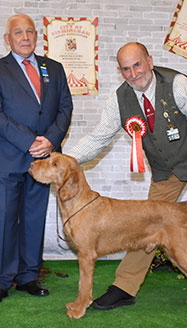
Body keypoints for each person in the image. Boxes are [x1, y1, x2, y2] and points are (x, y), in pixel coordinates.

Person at [68, 42, 187, 310]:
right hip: (165, 168)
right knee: (143, 226)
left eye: (137, 65)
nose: (133, 73)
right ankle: (124, 287)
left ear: (149, 60)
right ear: (120, 71)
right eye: (126, 69)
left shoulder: (178, 84)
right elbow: (98, 137)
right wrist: (67, 159)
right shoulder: (119, 99)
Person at [0, 14, 73, 302]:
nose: (25, 37)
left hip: (44, 161)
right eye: (18, 32)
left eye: (30, 31)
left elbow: (65, 107)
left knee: (33, 218)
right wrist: (29, 141)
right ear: (8, 39)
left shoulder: (53, 68)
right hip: (8, 157)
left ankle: (29, 275)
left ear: (36, 35)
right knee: (5, 219)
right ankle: (3, 278)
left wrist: (50, 140)